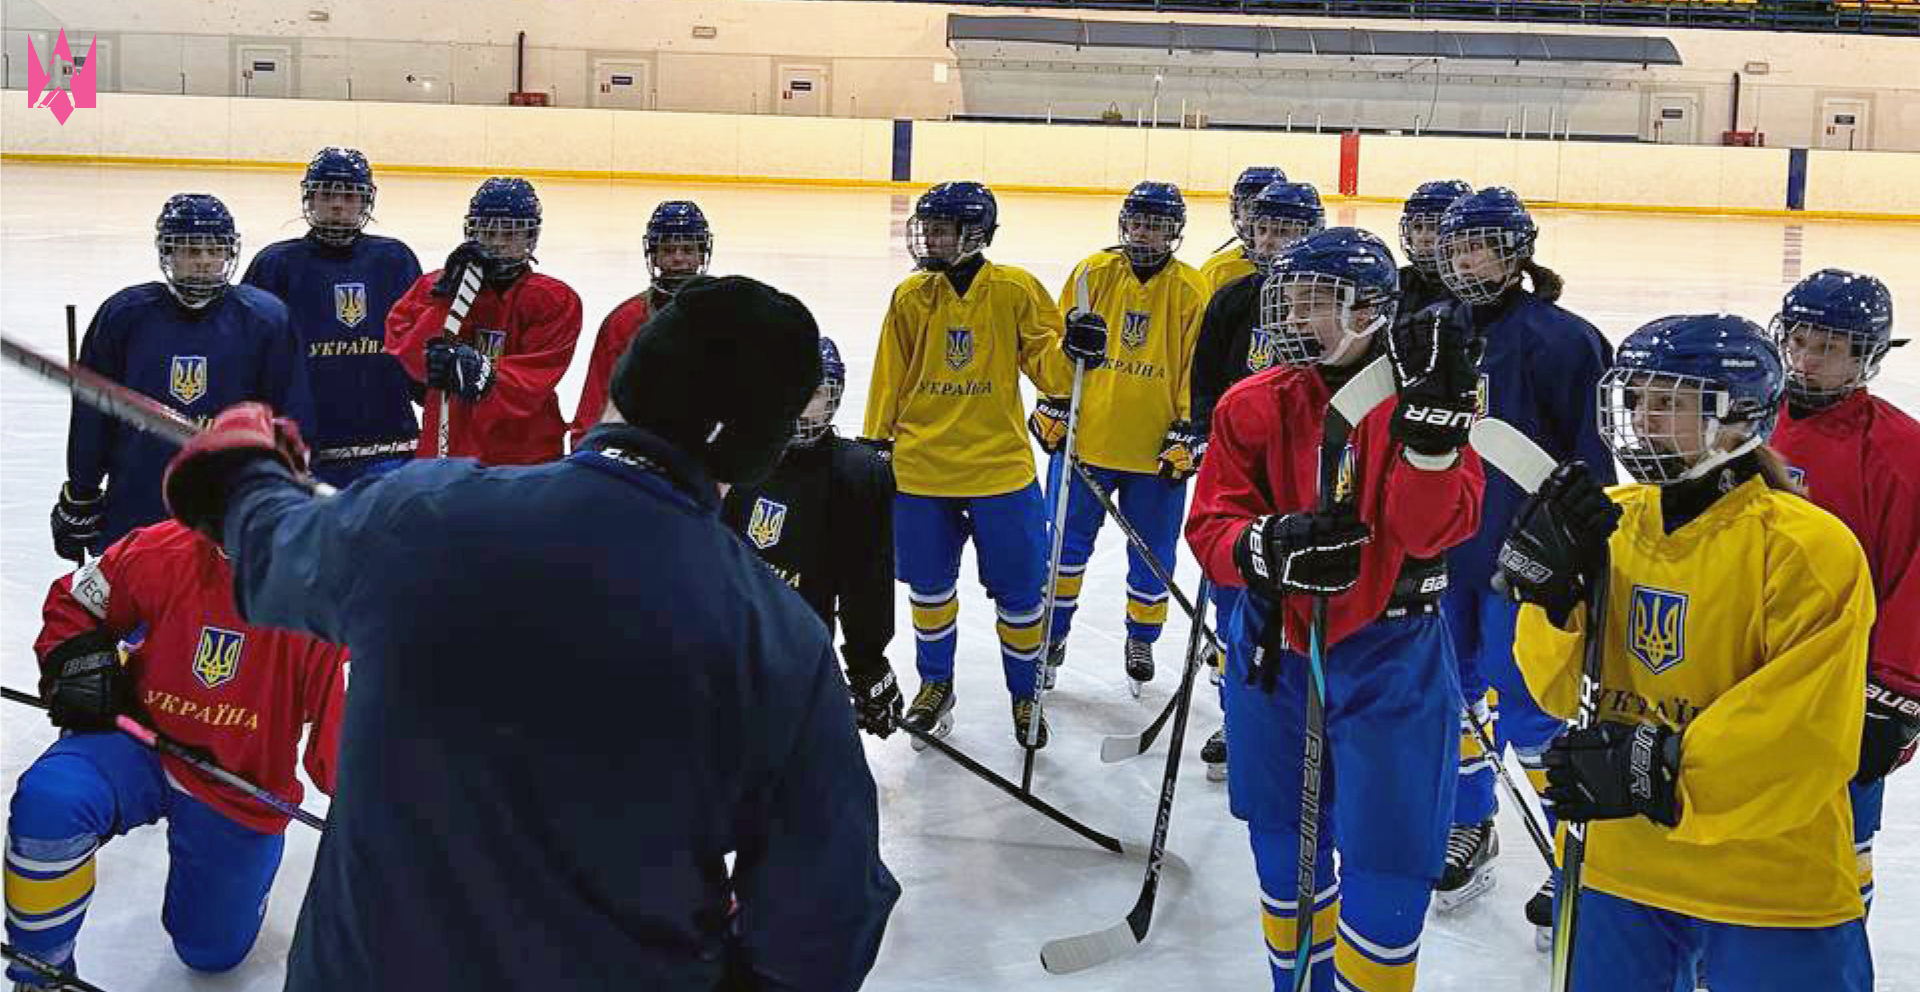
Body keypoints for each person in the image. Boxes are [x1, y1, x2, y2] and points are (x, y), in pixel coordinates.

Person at [155, 275, 899, 990]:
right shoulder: (780, 644)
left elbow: (273, 558)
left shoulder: (424, 516)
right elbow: (822, 927)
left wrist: (244, 476)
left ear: (627, 381)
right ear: (758, 451)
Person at [1503, 313, 1874, 991]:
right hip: (1620, 868)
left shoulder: (1809, 550)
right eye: (1638, 397)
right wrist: (1549, 604)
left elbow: (1803, 735)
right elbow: (1559, 694)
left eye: (1670, 402)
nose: (1644, 419)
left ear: (1740, 417)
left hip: (1767, 881)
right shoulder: (1610, 523)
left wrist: (1660, 769)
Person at [1185, 228, 1484, 992]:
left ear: (1370, 310)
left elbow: (1432, 529)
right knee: (1283, 848)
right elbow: (1211, 523)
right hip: (1271, 656)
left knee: (1388, 852)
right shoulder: (1253, 403)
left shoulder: (1422, 401)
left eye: (1314, 300)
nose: (1292, 313)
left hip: (1392, 660)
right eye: (1289, 297)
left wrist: (1433, 445)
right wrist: (1262, 546)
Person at [5, 520, 346, 989]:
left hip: (237, 778)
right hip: (134, 739)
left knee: (210, 952)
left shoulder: (327, 593)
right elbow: (76, 600)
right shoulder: (157, 547)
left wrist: (381, 813)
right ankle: (44, 974)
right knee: (51, 801)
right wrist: (74, 657)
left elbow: (350, 745)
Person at [863, 181, 1104, 749]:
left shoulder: (1016, 290)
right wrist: (875, 443)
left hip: (1000, 469)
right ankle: (936, 685)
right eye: (930, 227)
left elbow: (1048, 373)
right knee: (928, 588)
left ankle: (1025, 693)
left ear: (976, 233)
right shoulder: (910, 296)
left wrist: (1074, 353)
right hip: (923, 469)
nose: (931, 238)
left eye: (944, 228)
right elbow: (888, 377)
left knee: (1021, 592)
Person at [1429, 186, 1615, 923]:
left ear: (1517, 254)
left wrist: (1573, 552)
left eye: (1484, 246)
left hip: (1526, 568)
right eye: (1459, 247)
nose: (1470, 261)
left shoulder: (1566, 341)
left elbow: (1594, 469)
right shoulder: (1429, 330)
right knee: (1453, 702)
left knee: (1536, 713)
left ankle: (1574, 848)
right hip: (1445, 557)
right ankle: (1470, 822)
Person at [1768, 269, 1920, 923]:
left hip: (1842, 688)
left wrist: (1896, 694)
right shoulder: (1749, 418)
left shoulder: (1899, 450)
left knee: (1838, 847)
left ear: (1865, 358)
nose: (1804, 358)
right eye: (1797, 340)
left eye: (1825, 348)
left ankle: (1831, 953)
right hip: (1750, 670)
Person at [52, 193, 314, 564]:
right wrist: (81, 494)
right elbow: (93, 418)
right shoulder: (124, 315)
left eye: (213, 250)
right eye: (190, 250)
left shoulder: (266, 319)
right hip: (134, 507)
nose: (204, 262)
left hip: (226, 511)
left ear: (229, 253)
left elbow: (289, 417)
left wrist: (284, 496)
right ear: (167, 253)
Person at [1030, 181, 1207, 695]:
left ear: (1174, 231)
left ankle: (1142, 636)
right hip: (1085, 443)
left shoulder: (1191, 289)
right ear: (1124, 222)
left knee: (1153, 553)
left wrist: (1188, 429)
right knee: (1061, 549)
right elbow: (1060, 349)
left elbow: (1196, 367)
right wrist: (1053, 402)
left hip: (1155, 452)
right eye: (1138, 220)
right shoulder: (1091, 274)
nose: (1145, 231)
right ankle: (1053, 634)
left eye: (1156, 223)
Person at [1188, 178, 1326, 781]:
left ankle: (1309, 718)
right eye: (1264, 227)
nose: (1271, 240)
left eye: (1287, 230)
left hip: (1301, 480)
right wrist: (1198, 434)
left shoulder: (1330, 310)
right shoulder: (1232, 298)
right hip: (1242, 476)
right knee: (1233, 605)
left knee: (1299, 608)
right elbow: (1206, 380)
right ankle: (1236, 714)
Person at [722, 336, 903, 739]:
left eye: (818, 393)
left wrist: (868, 665)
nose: (805, 406)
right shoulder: (730, 457)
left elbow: (866, 583)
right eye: (795, 391)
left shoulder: (857, 473)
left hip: (803, 655)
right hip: (722, 646)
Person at [242, 147, 424, 487]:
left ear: (365, 200)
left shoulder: (395, 260)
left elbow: (417, 352)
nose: (338, 204)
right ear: (310, 198)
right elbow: (253, 362)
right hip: (304, 457)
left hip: (389, 450)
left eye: (349, 194)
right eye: (327, 194)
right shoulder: (275, 266)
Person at [384, 176, 583, 464]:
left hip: (523, 455)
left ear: (531, 237)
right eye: (488, 232)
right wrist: (446, 300)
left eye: (511, 233)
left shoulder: (553, 299)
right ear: (471, 231)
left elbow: (535, 380)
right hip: (449, 445)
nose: (498, 244)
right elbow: (413, 359)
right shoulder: (434, 287)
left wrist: (480, 371)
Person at [570, 200, 714, 448]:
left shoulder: (724, 313)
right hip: (638, 446)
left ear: (701, 254)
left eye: (688, 250)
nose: (678, 259)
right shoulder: (624, 320)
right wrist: (583, 444)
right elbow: (597, 393)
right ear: (654, 255)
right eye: (669, 250)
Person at [1197, 165, 1287, 295]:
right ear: (1236, 209)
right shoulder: (1217, 271)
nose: (1257, 218)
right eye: (1249, 207)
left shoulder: (1308, 272)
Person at [1394, 179, 1471, 320]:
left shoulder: (1475, 290)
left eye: (1435, 228)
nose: (1423, 238)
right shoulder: (1398, 282)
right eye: (1417, 227)